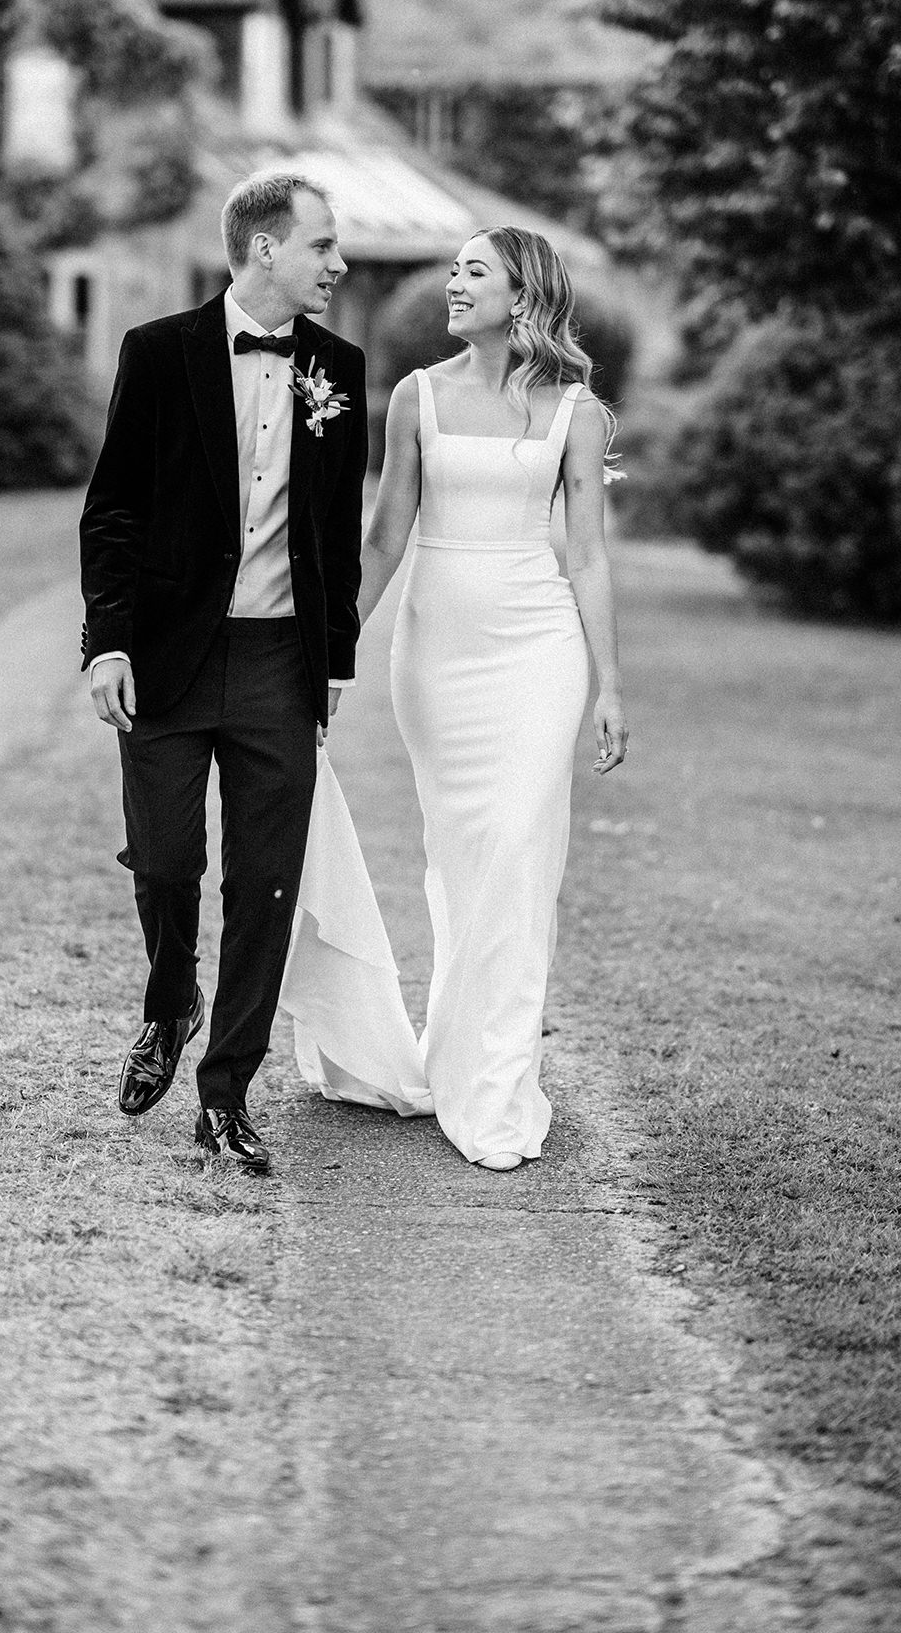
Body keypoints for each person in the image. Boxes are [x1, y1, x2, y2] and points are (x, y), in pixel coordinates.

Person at [79, 172, 368, 1174]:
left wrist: (333, 660)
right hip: (165, 649)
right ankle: (171, 997)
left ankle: (226, 1089)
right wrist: (106, 641)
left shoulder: (340, 367)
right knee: (163, 861)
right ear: (261, 252)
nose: (337, 263)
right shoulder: (158, 353)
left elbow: (335, 530)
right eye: (322, 245)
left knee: (268, 880)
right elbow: (112, 506)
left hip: (278, 662)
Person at [354, 227, 628, 1170]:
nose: (452, 285)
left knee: (517, 853)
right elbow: (386, 536)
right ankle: (454, 1052)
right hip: (435, 652)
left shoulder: (574, 412)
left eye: (474, 271)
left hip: (536, 648)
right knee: (459, 861)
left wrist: (607, 682)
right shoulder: (414, 396)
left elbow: (586, 553)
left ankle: (499, 1081)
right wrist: (333, 642)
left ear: (521, 296)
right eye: (455, 269)